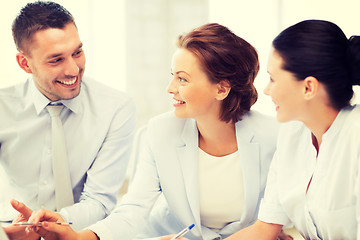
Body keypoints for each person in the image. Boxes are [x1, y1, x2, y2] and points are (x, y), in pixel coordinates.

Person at [17, 23, 292, 240]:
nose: (170, 88)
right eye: (172, 76)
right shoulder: (160, 132)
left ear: (221, 88)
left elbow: (280, 214)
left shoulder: (273, 137)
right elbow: (133, 208)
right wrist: (81, 237)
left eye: (182, 79)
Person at [0, 1, 136, 239]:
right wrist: (9, 229)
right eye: (56, 60)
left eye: (77, 52)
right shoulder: (3, 108)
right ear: (25, 63)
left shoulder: (116, 108)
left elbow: (100, 200)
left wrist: (57, 222)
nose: (74, 70)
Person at [217, 19, 359, 239]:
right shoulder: (293, 133)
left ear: (308, 87)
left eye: (273, 79)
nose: (266, 90)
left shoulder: (355, 137)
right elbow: (264, 228)